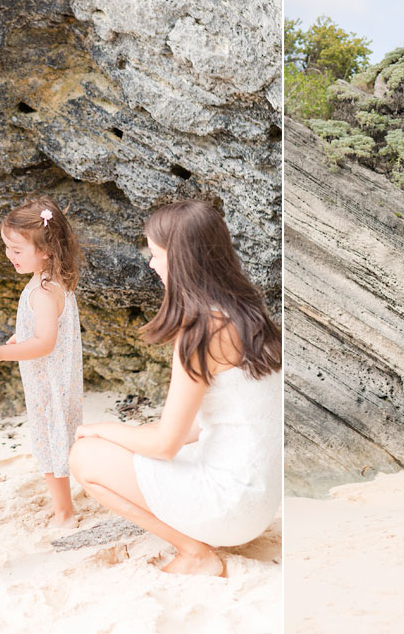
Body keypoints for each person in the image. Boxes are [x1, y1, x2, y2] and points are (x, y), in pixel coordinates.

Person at [68, 200, 281, 577]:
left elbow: (166, 445)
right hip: (260, 499)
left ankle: (195, 553)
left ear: (180, 259)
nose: (152, 265)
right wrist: (129, 439)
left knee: (84, 457)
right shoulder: (248, 313)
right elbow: (211, 425)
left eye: (156, 254)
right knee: (135, 444)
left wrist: (101, 430)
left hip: (230, 505)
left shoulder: (201, 331)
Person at [0, 196, 83, 528]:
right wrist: (21, 336)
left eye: (17, 251)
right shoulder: (50, 282)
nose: (9, 256)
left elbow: (46, 343)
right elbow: (47, 332)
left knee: (50, 442)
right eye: (7, 247)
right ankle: (61, 505)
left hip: (50, 382)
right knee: (53, 439)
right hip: (53, 378)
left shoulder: (43, 292)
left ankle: (64, 511)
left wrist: (0, 352)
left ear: (46, 252)